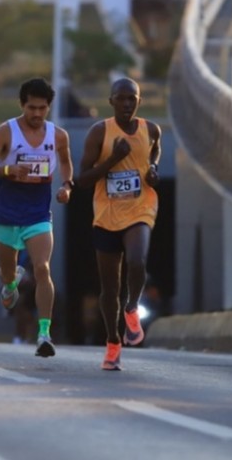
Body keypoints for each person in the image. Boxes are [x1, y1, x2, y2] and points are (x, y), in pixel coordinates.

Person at [0, 77, 73, 358]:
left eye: (42, 108)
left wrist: (67, 186)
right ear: (22, 105)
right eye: (31, 108)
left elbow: (65, 161)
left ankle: (44, 334)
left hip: (38, 212)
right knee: (8, 273)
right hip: (6, 212)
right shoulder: (6, 132)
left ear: (49, 108)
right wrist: (8, 171)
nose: (37, 114)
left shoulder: (58, 136)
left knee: (42, 268)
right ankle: (9, 282)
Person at [75, 77, 161, 371]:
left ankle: (132, 308)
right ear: (111, 101)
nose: (127, 104)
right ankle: (113, 342)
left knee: (137, 261)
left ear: (139, 101)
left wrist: (154, 171)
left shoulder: (150, 129)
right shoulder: (99, 132)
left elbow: (155, 151)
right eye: (121, 98)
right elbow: (82, 180)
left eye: (132, 99)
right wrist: (113, 158)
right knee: (109, 288)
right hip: (107, 213)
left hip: (140, 207)